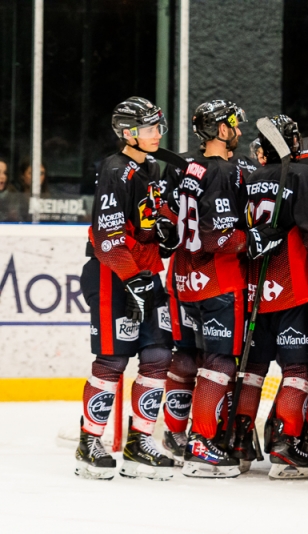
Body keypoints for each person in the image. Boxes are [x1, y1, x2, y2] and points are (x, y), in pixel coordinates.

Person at [75, 96, 176, 481]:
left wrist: (167, 232)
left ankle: (139, 441)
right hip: (112, 275)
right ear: (127, 133)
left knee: (157, 356)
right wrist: (132, 279)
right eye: (149, 128)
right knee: (113, 360)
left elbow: (153, 221)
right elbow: (107, 236)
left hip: (146, 273)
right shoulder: (116, 170)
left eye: (157, 127)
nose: (157, 134)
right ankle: (89, 441)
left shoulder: (150, 167)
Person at [243, 114, 308, 479]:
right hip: (292, 286)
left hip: (256, 291)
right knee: (297, 370)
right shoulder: (303, 175)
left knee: (253, 370)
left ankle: (239, 441)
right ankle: (286, 445)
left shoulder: (249, 177)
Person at [172, 99, 250, 478]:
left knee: (195, 358)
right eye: (234, 124)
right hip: (217, 279)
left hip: (187, 280)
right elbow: (217, 236)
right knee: (219, 362)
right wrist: (251, 239)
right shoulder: (221, 170)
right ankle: (201, 443)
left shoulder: (190, 166)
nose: (238, 130)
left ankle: (178, 433)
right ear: (221, 130)